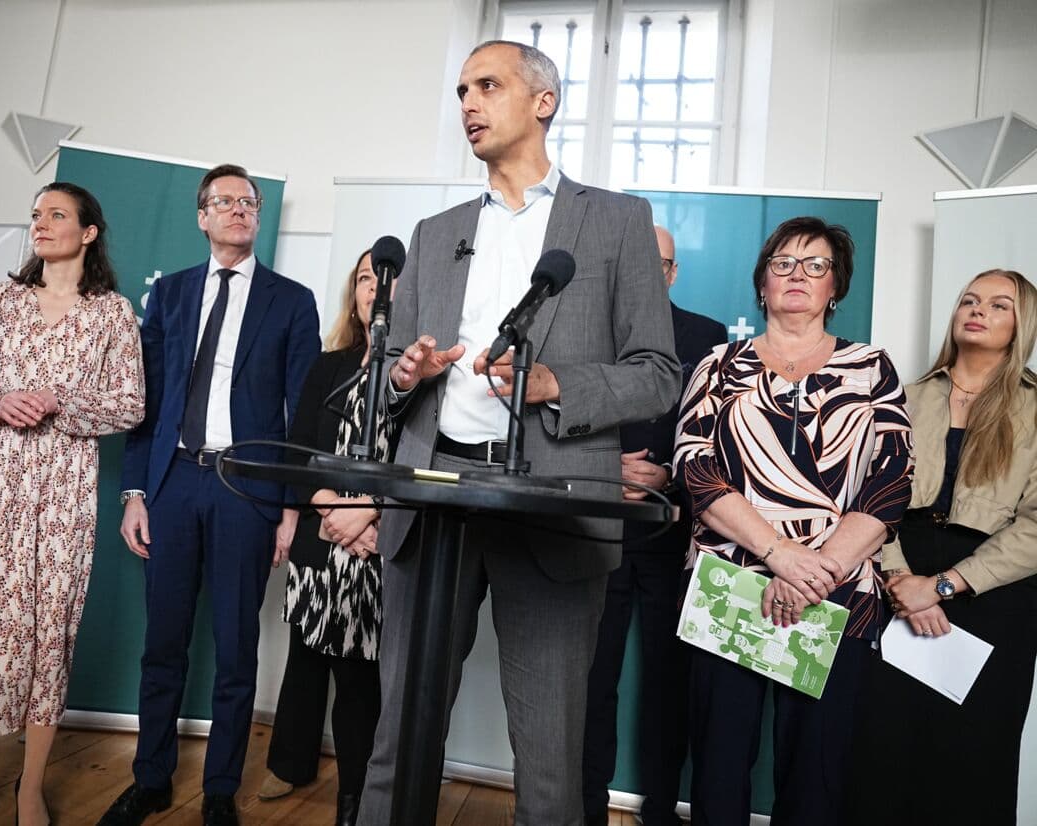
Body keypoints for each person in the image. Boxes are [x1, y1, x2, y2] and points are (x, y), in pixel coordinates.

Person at [358, 41, 681, 826]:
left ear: (543, 102)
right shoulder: (434, 232)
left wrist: (556, 384)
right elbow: (389, 370)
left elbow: (657, 372)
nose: (468, 103)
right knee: (398, 737)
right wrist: (405, 375)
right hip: (432, 498)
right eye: (462, 90)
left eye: (488, 85)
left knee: (549, 755)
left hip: (553, 504)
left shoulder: (617, 221)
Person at [672, 216, 913, 826]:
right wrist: (780, 555)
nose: (797, 275)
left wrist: (815, 572)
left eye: (815, 265)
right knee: (720, 766)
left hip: (837, 592)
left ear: (836, 286)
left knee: (816, 777)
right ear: (763, 285)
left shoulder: (872, 368)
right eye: (783, 264)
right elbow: (695, 470)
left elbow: (891, 483)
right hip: (731, 584)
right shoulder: (718, 365)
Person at [100, 164, 320, 826]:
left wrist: (290, 506)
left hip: (245, 489)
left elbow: (303, 413)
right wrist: (135, 490)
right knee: (163, 644)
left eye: (248, 201)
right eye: (224, 201)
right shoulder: (169, 294)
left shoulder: (292, 300)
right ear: (202, 217)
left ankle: (220, 788)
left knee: (235, 647)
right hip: (172, 484)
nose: (238, 209)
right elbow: (146, 401)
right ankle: (151, 778)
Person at [0, 182, 144, 826]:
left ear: (88, 232)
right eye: (36, 215)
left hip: (64, 494)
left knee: (49, 633)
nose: (41, 224)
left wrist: (61, 401)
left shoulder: (112, 313)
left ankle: (31, 786)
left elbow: (130, 405)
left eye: (57, 214)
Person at [847, 269, 1037, 826]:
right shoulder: (903, 398)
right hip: (897, 579)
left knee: (972, 758)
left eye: (998, 305)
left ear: (1022, 324)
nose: (978, 311)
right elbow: (866, 497)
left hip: (995, 595)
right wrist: (900, 580)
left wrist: (944, 586)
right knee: (881, 748)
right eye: (970, 301)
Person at [582, 226, 727, 826]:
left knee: (669, 681)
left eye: (659, 262)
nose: (649, 271)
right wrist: (602, 468)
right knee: (593, 679)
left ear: (672, 273)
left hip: (672, 530)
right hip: (596, 526)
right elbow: (560, 416)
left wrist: (666, 471)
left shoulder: (707, 335)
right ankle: (586, 808)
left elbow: (714, 429)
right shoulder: (587, 329)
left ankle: (662, 809)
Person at [263, 249, 394, 826]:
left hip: (380, 543)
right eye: (365, 278)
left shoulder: (418, 376)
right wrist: (331, 509)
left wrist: (369, 516)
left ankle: (356, 796)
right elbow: (299, 451)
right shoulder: (327, 365)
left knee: (360, 676)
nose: (374, 289)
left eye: (386, 280)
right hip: (322, 531)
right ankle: (290, 764)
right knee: (307, 655)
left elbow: (422, 460)